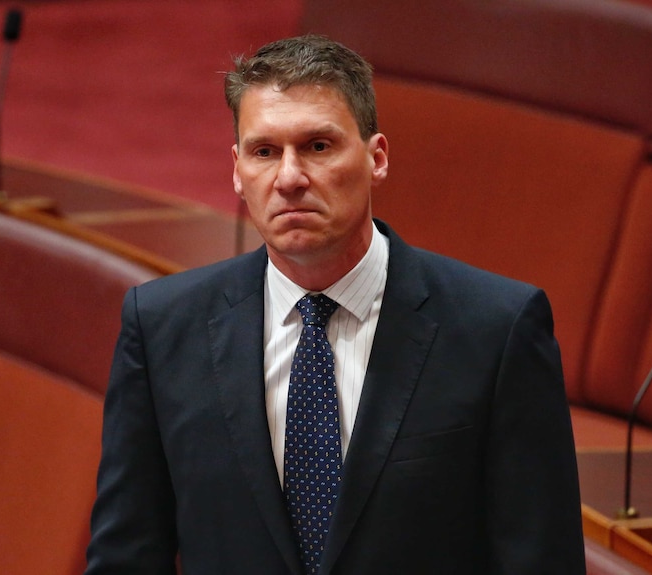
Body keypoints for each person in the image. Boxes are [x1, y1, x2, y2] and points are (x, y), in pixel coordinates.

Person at [85, 34, 585, 574]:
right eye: (264, 152)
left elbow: (542, 559)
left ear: (377, 158)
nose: (290, 178)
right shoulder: (162, 328)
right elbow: (127, 555)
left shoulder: (497, 329)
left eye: (318, 147)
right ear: (236, 170)